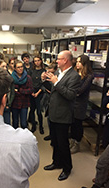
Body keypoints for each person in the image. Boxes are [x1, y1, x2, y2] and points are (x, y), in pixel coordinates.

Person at [42, 50, 80, 181]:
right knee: (55, 141)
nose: (56, 61)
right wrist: (46, 80)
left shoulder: (74, 76)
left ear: (65, 60)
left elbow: (70, 95)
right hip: (53, 113)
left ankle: (67, 168)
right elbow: (54, 90)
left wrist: (56, 82)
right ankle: (56, 162)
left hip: (63, 115)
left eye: (59, 59)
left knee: (63, 143)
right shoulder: (59, 72)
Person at [70, 54, 94, 154]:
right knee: (72, 123)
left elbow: (80, 91)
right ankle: (72, 141)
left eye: (80, 62)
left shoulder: (88, 76)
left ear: (84, 64)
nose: (77, 63)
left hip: (80, 104)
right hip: (71, 102)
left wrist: (70, 90)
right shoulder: (74, 72)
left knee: (78, 124)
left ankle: (77, 144)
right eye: (77, 61)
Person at [11, 60, 33, 129]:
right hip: (15, 102)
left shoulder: (28, 77)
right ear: (14, 68)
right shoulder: (11, 78)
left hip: (24, 102)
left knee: (24, 123)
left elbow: (31, 90)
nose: (20, 69)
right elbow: (11, 91)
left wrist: (20, 91)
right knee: (15, 122)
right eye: (18, 67)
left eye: (21, 67)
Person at [29, 56, 46, 134]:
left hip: (40, 93)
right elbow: (29, 82)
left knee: (39, 112)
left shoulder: (44, 71)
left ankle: (41, 127)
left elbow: (44, 84)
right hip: (32, 93)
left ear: (41, 61)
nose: (37, 62)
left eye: (38, 60)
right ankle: (33, 126)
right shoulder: (31, 71)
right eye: (35, 61)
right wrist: (32, 92)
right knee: (32, 110)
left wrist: (37, 93)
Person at [0, 59, 15, 124]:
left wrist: (9, 104)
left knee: (7, 124)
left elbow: (12, 92)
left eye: (5, 66)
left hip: (6, 105)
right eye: (2, 66)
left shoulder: (9, 78)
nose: (4, 68)